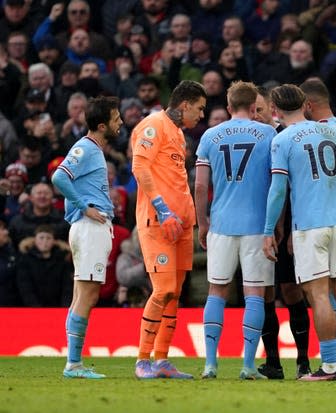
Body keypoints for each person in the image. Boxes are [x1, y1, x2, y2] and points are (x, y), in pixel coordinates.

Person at [263, 84, 336, 381]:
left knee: (319, 295)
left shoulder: (282, 140)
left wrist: (268, 230)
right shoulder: (335, 132)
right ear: (305, 105)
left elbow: (278, 190)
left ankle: (331, 366)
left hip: (310, 226)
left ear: (275, 109)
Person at [194, 81, 277, 380]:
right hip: (257, 226)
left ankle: (210, 364)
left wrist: (202, 222)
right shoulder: (268, 134)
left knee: (216, 291)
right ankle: (247, 365)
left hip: (221, 224)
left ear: (229, 106)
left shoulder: (209, 135)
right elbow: (277, 183)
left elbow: (201, 185)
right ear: (255, 107)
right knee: (254, 294)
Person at [131, 80, 206, 379]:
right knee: (162, 290)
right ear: (185, 104)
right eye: (199, 109)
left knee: (174, 293)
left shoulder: (177, 133)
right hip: (159, 221)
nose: (201, 115)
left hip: (182, 224)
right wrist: (163, 209)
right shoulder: (153, 124)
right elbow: (139, 167)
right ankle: (141, 361)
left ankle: (161, 360)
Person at [50, 95, 121, 378]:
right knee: (87, 296)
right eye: (116, 118)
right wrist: (85, 206)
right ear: (102, 125)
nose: (121, 122)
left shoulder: (93, 149)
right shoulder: (86, 147)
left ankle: (74, 363)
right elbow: (59, 177)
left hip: (89, 228)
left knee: (82, 294)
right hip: (89, 227)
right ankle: (74, 364)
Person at [253, 87, 312, 380]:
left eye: (260, 110)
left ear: (272, 110)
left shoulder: (283, 138)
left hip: (287, 224)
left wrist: (287, 228)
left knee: (291, 290)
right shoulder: (250, 138)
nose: (256, 115)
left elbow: (290, 189)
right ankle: (273, 363)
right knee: (264, 293)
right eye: (252, 110)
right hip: (257, 225)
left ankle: (303, 361)